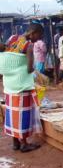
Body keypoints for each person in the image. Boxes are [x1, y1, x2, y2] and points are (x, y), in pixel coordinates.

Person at [0, 22, 44, 152]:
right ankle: (24, 144)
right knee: (22, 115)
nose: (38, 39)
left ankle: (15, 142)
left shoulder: (12, 38)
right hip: (21, 84)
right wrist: (36, 71)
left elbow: (6, 54)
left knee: (12, 112)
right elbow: (29, 68)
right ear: (33, 33)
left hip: (9, 84)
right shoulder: (29, 45)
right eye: (39, 36)